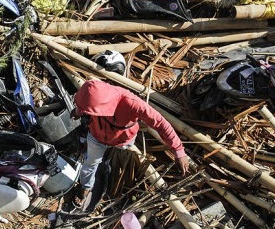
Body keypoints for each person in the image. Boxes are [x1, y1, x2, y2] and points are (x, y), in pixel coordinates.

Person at [71, 79, 190, 207]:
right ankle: (86, 187)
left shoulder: (132, 103)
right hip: (97, 135)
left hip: (123, 140)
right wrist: (78, 112)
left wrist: (178, 150)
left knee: (125, 151)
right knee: (90, 163)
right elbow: (84, 104)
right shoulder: (93, 92)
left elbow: (160, 123)